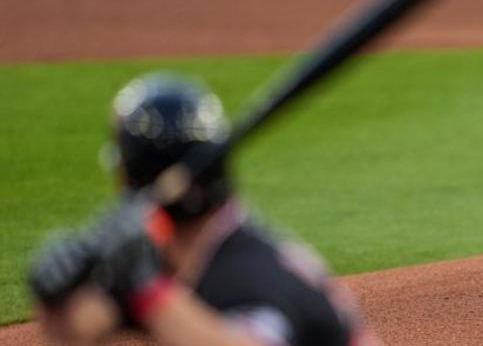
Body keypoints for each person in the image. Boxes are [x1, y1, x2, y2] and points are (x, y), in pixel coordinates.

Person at [27, 73, 378, 345]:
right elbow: (81, 327)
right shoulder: (172, 252)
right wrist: (54, 293)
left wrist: (147, 291)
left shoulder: (252, 273)